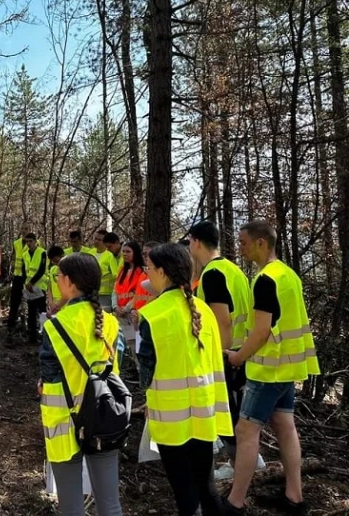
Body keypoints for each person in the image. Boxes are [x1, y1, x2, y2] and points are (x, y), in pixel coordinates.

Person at [223, 221, 320, 516]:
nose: (240, 247)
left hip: (268, 371)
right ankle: (294, 498)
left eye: (243, 242)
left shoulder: (266, 279)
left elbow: (262, 331)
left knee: (246, 430)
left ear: (261, 242)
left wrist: (238, 358)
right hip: (287, 368)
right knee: (284, 426)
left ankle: (234, 503)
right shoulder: (288, 275)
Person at [137, 243, 233, 516]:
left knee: (184, 492)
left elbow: (146, 374)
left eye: (149, 268)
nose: (147, 272)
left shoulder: (153, 315)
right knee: (206, 486)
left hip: (170, 417)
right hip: (204, 412)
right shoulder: (203, 310)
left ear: (163, 272)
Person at [39, 252, 123, 516]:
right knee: (110, 503)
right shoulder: (110, 322)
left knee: (71, 507)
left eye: (58, 276)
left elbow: (50, 381)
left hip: (64, 424)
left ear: (70, 282)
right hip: (104, 417)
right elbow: (113, 371)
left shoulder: (54, 326)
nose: (57, 281)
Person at [188, 220, 265, 481]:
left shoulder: (212, 274)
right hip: (242, 351)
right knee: (240, 414)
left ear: (196, 241)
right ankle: (251, 459)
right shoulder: (233, 269)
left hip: (228, 354)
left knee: (230, 414)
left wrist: (218, 356)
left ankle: (241, 464)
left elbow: (223, 320)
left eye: (189, 242)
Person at [112, 240, 146, 349]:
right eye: (123, 251)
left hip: (133, 312)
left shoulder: (141, 271)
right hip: (120, 313)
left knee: (137, 345)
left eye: (128, 251)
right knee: (127, 344)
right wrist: (115, 307)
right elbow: (115, 290)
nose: (125, 254)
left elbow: (140, 293)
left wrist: (127, 308)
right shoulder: (122, 270)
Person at [6, 222, 32, 344]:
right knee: (14, 301)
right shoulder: (16, 243)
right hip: (17, 276)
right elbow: (14, 258)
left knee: (30, 301)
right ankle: (11, 325)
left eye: (26, 228)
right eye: (22, 228)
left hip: (28, 276)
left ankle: (30, 326)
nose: (24, 230)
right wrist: (11, 273)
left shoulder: (33, 242)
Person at [22, 232, 48, 344]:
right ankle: (32, 335)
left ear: (35, 241)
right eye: (27, 241)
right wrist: (26, 284)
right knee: (31, 312)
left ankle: (44, 335)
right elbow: (24, 271)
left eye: (30, 241)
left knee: (42, 311)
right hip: (29, 288)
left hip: (39, 286)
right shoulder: (25, 254)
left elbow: (41, 270)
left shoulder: (42, 252)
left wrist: (31, 283)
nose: (28, 244)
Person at [92, 230, 120, 311]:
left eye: (99, 240)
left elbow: (116, 275)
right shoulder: (90, 252)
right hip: (92, 292)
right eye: (95, 238)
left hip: (105, 293)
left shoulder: (110, 255)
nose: (96, 241)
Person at [46, 245, 66, 316]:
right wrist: (51, 302)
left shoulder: (69, 270)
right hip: (54, 306)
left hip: (66, 306)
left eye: (57, 261)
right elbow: (49, 287)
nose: (56, 264)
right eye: (54, 262)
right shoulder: (53, 269)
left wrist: (57, 306)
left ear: (63, 256)